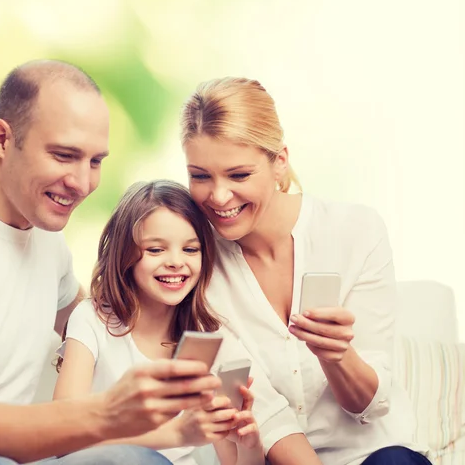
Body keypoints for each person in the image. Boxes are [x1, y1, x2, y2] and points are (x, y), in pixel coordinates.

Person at [0, 60, 220, 465]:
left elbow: (99, 318)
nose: (82, 182)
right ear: (2, 139)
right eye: (63, 155)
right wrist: (107, 413)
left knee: (138, 459)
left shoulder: (45, 240)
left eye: (95, 161)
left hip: (14, 462)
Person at [179, 77, 431, 465]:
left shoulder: (356, 232)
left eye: (239, 175)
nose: (219, 196)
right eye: (200, 176)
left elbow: (371, 405)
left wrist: (336, 356)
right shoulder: (196, 265)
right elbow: (261, 411)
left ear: (279, 161)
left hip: (374, 454)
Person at [54, 179, 322, 465]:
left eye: (190, 250)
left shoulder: (208, 339)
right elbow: (63, 436)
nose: (175, 262)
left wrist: (248, 444)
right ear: (124, 255)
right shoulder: (93, 320)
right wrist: (173, 433)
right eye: (156, 250)